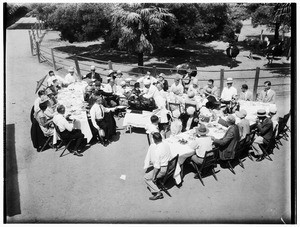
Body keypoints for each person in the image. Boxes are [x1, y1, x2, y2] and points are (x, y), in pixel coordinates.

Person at [144, 132, 172, 200]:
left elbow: (157, 167)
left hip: (163, 169)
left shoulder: (157, 150)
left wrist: (153, 177)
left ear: (154, 140)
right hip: (170, 166)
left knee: (146, 178)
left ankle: (158, 192)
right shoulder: (166, 144)